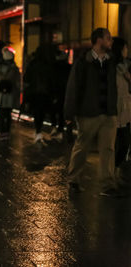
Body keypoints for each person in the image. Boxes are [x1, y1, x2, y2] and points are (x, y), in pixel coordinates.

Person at [64, 28, 119, 197]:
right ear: (98, 40)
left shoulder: (112, 62)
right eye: (108, 38)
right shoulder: (83, 62)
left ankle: (107, 184)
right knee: (82, 146)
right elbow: (73, 88)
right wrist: (69, 113)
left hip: (109, 112)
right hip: (89, 112)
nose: (111, 41)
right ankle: (74, 180)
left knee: (108, 149)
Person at [24, 44, 56, 145]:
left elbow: (26, 78)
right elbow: (52, 80)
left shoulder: (32, 64)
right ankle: (42, 129)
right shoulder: (48, 64)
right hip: (45, 93)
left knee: (36, 112)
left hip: (34, 92)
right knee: (42, 112)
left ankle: (38, 131)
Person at [0, 47, 20, 140]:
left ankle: (1, 131)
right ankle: (7, 132)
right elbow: (18, 83)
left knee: (2, 114)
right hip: (10, 95)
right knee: (8, 114)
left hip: (0, 96)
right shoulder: (14, 69)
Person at [111, 37, 131, 179]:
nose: (127, 50)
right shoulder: (111, 67)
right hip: (114, 111)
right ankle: (111, 173)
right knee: (118, 143)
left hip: (125, 111)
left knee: (123, 142)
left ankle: (114, 171)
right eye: (125, 47)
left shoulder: (126, 68)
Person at [49, 50, 71, 142]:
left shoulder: (53, 68)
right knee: (63, 112)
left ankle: (54, 126)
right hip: (65, 92)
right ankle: (61, 130)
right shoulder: (68, 68)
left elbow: (51, 80)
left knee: (53, 110)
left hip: (55, 92)